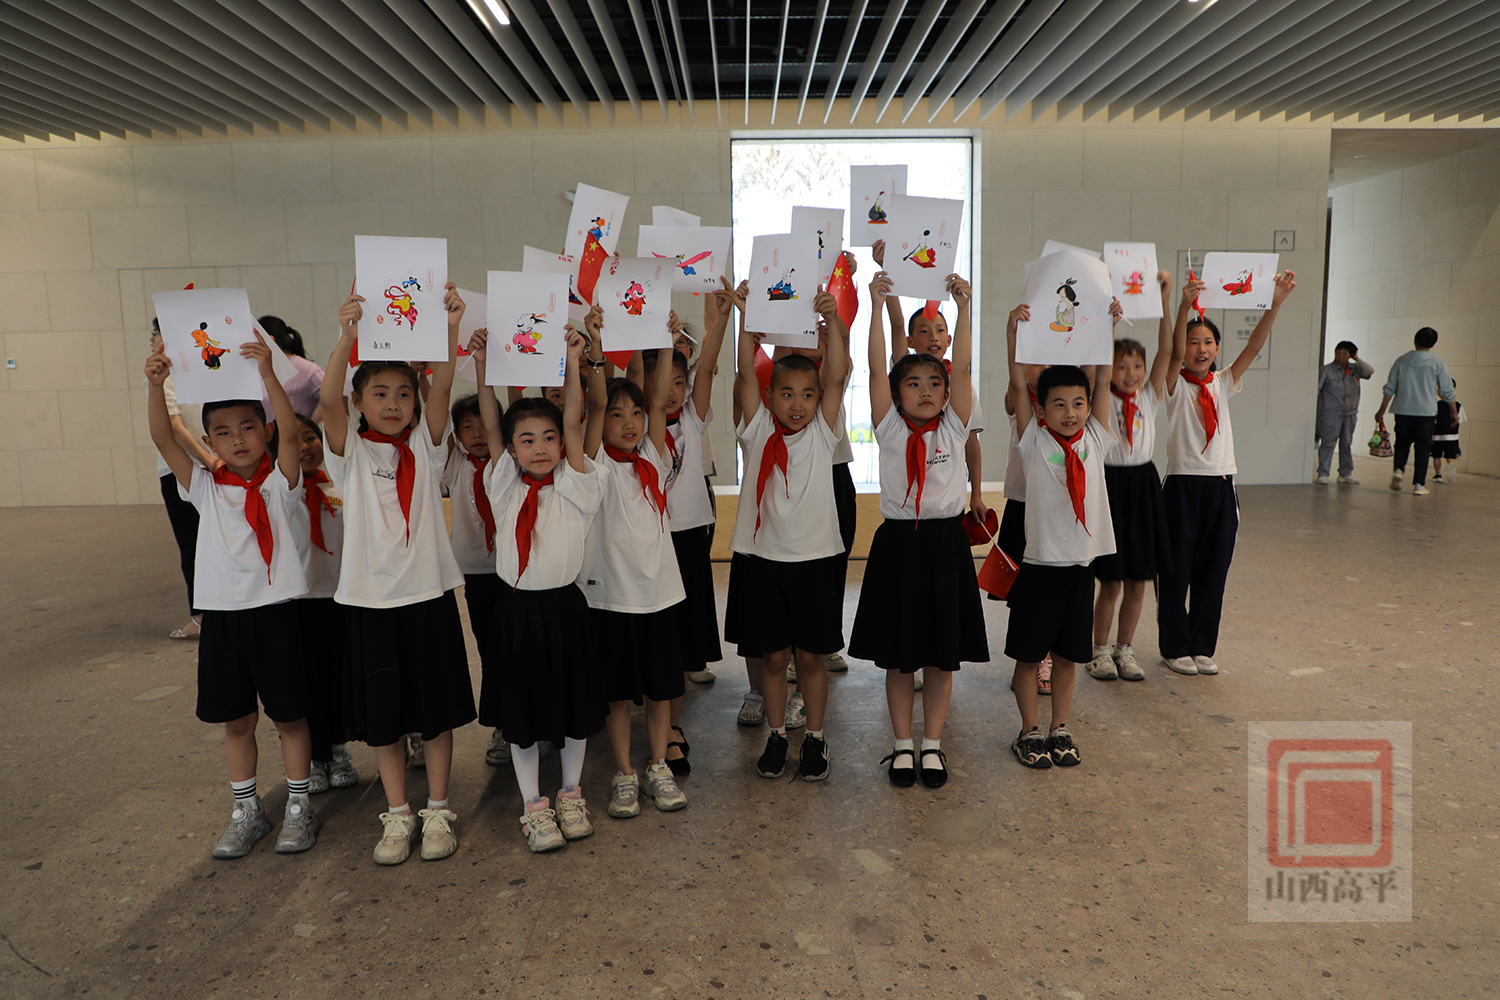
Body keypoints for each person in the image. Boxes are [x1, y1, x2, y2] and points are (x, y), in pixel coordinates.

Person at [319, 285, 477, 866]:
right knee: (384, 719)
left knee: (435, 712)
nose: (393, 403)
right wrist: (347, 339)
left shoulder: (427, 448)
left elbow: (443, 392)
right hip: (370, 602)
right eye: (379, 393)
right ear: (359, 401)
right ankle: (397, 812)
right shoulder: (349, 455)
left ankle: (436, 808)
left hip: (427, 595)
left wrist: (452, 329)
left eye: (404, 393)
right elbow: (327, 402)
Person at [145, 327, 316, 857]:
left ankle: (299, 805)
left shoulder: (280, 483)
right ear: (210, 441)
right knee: (236, 719)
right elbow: (164, 439)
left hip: (277, 612)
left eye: (248, 427)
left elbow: (293, 434)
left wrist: (268, 373)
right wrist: (156, 385)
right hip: (224, 617)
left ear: (265, 432)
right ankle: (247, 810)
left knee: (289, 716)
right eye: (223, 432)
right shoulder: (204, 487)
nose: (237, 439)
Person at [472, 326, 607, 854]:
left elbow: (574, 419)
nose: (541, 448)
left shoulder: (578, 486)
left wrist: (572, 361)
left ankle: (571, 794)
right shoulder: (504, 485)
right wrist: (483, 364)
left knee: (574, 710)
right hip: (517, 613)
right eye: (526, 440)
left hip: (565, 610)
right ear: (511, 449)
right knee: (523, 716)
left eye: (549, 438)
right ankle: (533, 806)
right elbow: (490, 421)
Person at [851, 270, 986, 788]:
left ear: (948, 393)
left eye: (935, 384)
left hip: (945, 544)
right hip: (898, 547)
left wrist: (964, 309)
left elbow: (964, 365)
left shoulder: (953, 424)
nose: (925, 391)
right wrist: (874, 306)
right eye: (913, 384)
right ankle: (901, 745)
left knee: (940, 657)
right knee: (900, 657)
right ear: (896, 394)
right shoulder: (888, 426)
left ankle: (932, 744)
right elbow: (874, 366)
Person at [727, 286, 850, 782]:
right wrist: (745, 323)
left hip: (815, 561)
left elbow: (837, 374)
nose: (797, 404)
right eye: (786, 394)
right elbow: (744, 374)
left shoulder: (823, 431)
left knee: (812, 658)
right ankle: (777, 736)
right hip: (766, 561)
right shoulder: (757, 429)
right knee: (774, 657)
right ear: (770, 396)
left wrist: (833, 322)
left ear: (819, 399)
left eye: (807, 395)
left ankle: (815, 739)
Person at [577, 305, 691, 818]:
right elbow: (596, 401)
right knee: (619, 694)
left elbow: (659, 398)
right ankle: (624, 772)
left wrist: (666, 342)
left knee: (661, 690)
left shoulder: (654, 455)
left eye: (636, 415)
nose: (628, 423)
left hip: (658, 594)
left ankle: (658, 765)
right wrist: (597, 348)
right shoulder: (594, 462)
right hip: (610, 598)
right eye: (617, 416)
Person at [1158, 271, 1297, 676]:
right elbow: (1170, 353)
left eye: (1208, 342)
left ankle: (1202, 645)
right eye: (1193, 342)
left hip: (1221, 487)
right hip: (1182, 486)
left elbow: (1254, 345)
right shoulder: (1174, 385)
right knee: (1175, 571)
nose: (1200, 349)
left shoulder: (1223, 382)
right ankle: (1174, 646)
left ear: (1217, 348)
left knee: (1212, 571)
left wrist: (1275, 303)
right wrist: (1182, 307)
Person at [1003, 305, 1116, 769]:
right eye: (1059, 405)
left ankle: (1059, 727)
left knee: (1068, 657)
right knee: (1029, 657)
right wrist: (1012, 332)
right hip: (1039, 568)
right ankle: (1029, 730)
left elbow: (1103, 382)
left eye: (1078, 404)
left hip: (1079, 569)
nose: (1070, 413)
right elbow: (1018, 386)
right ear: (1041, 409)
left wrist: (1106, 327)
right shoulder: (1034, 439)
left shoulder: (1096, 439)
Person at [641, 283, 733, 776]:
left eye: (680, 381)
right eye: (663, 380)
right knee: (653, 639)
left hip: (688, 539)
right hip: (650, 543)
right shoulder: (639, 426)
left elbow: (710, 364)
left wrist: (720, 319)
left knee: (679, 641)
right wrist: (657, 338)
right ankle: (647, 719)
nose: (673, 390)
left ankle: (672, 726)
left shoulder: (694, 417)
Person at [1089, 274, 1175, 683]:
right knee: (1110, 580)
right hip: (1109, 485)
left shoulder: (1149, 397)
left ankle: (1125, 648)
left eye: (1136, 365)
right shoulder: (1101, 398)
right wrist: (1108, 323)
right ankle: (1099, 651)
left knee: (1139, 579)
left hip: (1142, 487)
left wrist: (1165, 301)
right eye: (1121, 366)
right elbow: (1100, 368)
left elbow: (1168, 352)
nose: (1130, 373)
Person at [289, 414, 358, 794]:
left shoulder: (340, 484)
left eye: (310, 437)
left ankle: (338, 749)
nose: (304, 447)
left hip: (339, 597)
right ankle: (315, 758)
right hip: (299, 601)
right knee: (307, 683)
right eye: (294, 440)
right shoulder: (282, 491)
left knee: (337, 678)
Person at [440, 393, 506, 768]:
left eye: (484, 424)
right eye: (468, 426)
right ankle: (501, 722)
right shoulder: (454, 464)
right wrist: (425, 374)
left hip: (512, 571)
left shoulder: (506, 460)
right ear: (457, 434)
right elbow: (436, 419)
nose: (478, 432)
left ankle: (532, 722)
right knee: (489, 650)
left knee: (517, 649)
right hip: (477, 575)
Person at [147, 318, 220, 639]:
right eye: (156, 335)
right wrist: (209, 459)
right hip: (182, 468)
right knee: (193, 544)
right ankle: (201, 616)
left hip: (214, 464)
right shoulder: (162, 377)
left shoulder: (202, 368)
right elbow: (174, 428)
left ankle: (221, 610)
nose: (157, 341)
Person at [1374, 327, 1456, 496]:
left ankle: (1398, 470)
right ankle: (1419, 484)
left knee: (1402, 443)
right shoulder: (1437, 363)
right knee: (1423, 448)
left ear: (1415, 341)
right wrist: (1453, 411)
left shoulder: (1401, 361)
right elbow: (1447, 390)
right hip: (1426, 413)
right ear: (1433, 344)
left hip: (1403, 410)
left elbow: (1390, 388)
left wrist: (1381, 410)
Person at [1314, 340, 1374, 485]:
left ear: (1350, 355)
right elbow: (1317, 389)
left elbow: (1369, 371)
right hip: (1331, 413)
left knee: (1346, 443)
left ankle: (1345, 473)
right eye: (1338, 353)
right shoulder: (1326, 370)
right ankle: (1323, 473)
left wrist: (1357, 358)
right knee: (1328, 442)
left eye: (1344, 354)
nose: (1340, 356)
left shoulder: (1355, 369)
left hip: (1350, 412)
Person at [258, 316, 326, 422]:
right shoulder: (259, 370)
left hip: (296, 431)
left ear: (269, 340)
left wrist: (312, 422)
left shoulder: (307, 369)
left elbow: (333, 394)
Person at [1431, 379, 1462, 484]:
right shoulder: (1458, 406)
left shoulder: (1435, 405)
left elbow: (1432, 422)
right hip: (1452, 436)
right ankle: (1451, 466)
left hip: (1437, 436)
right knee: (1451, 455)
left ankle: (1438, 475)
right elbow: (1460, 420)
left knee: (1436, 456)